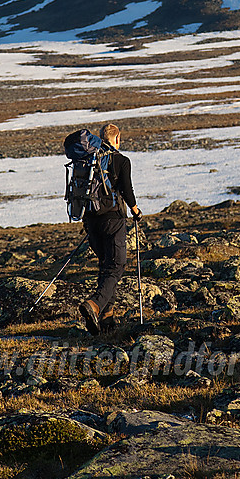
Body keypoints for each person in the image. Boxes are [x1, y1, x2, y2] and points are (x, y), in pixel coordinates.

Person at [79, 123, 141, 334]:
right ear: (117, 139)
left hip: (91, 221)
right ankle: (95, 305)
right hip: (113, 219)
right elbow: (127, 189)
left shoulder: (89, 160)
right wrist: (135, 210)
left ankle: (107, 319)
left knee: (106, 265)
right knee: (116, 266)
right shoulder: (121, 161)